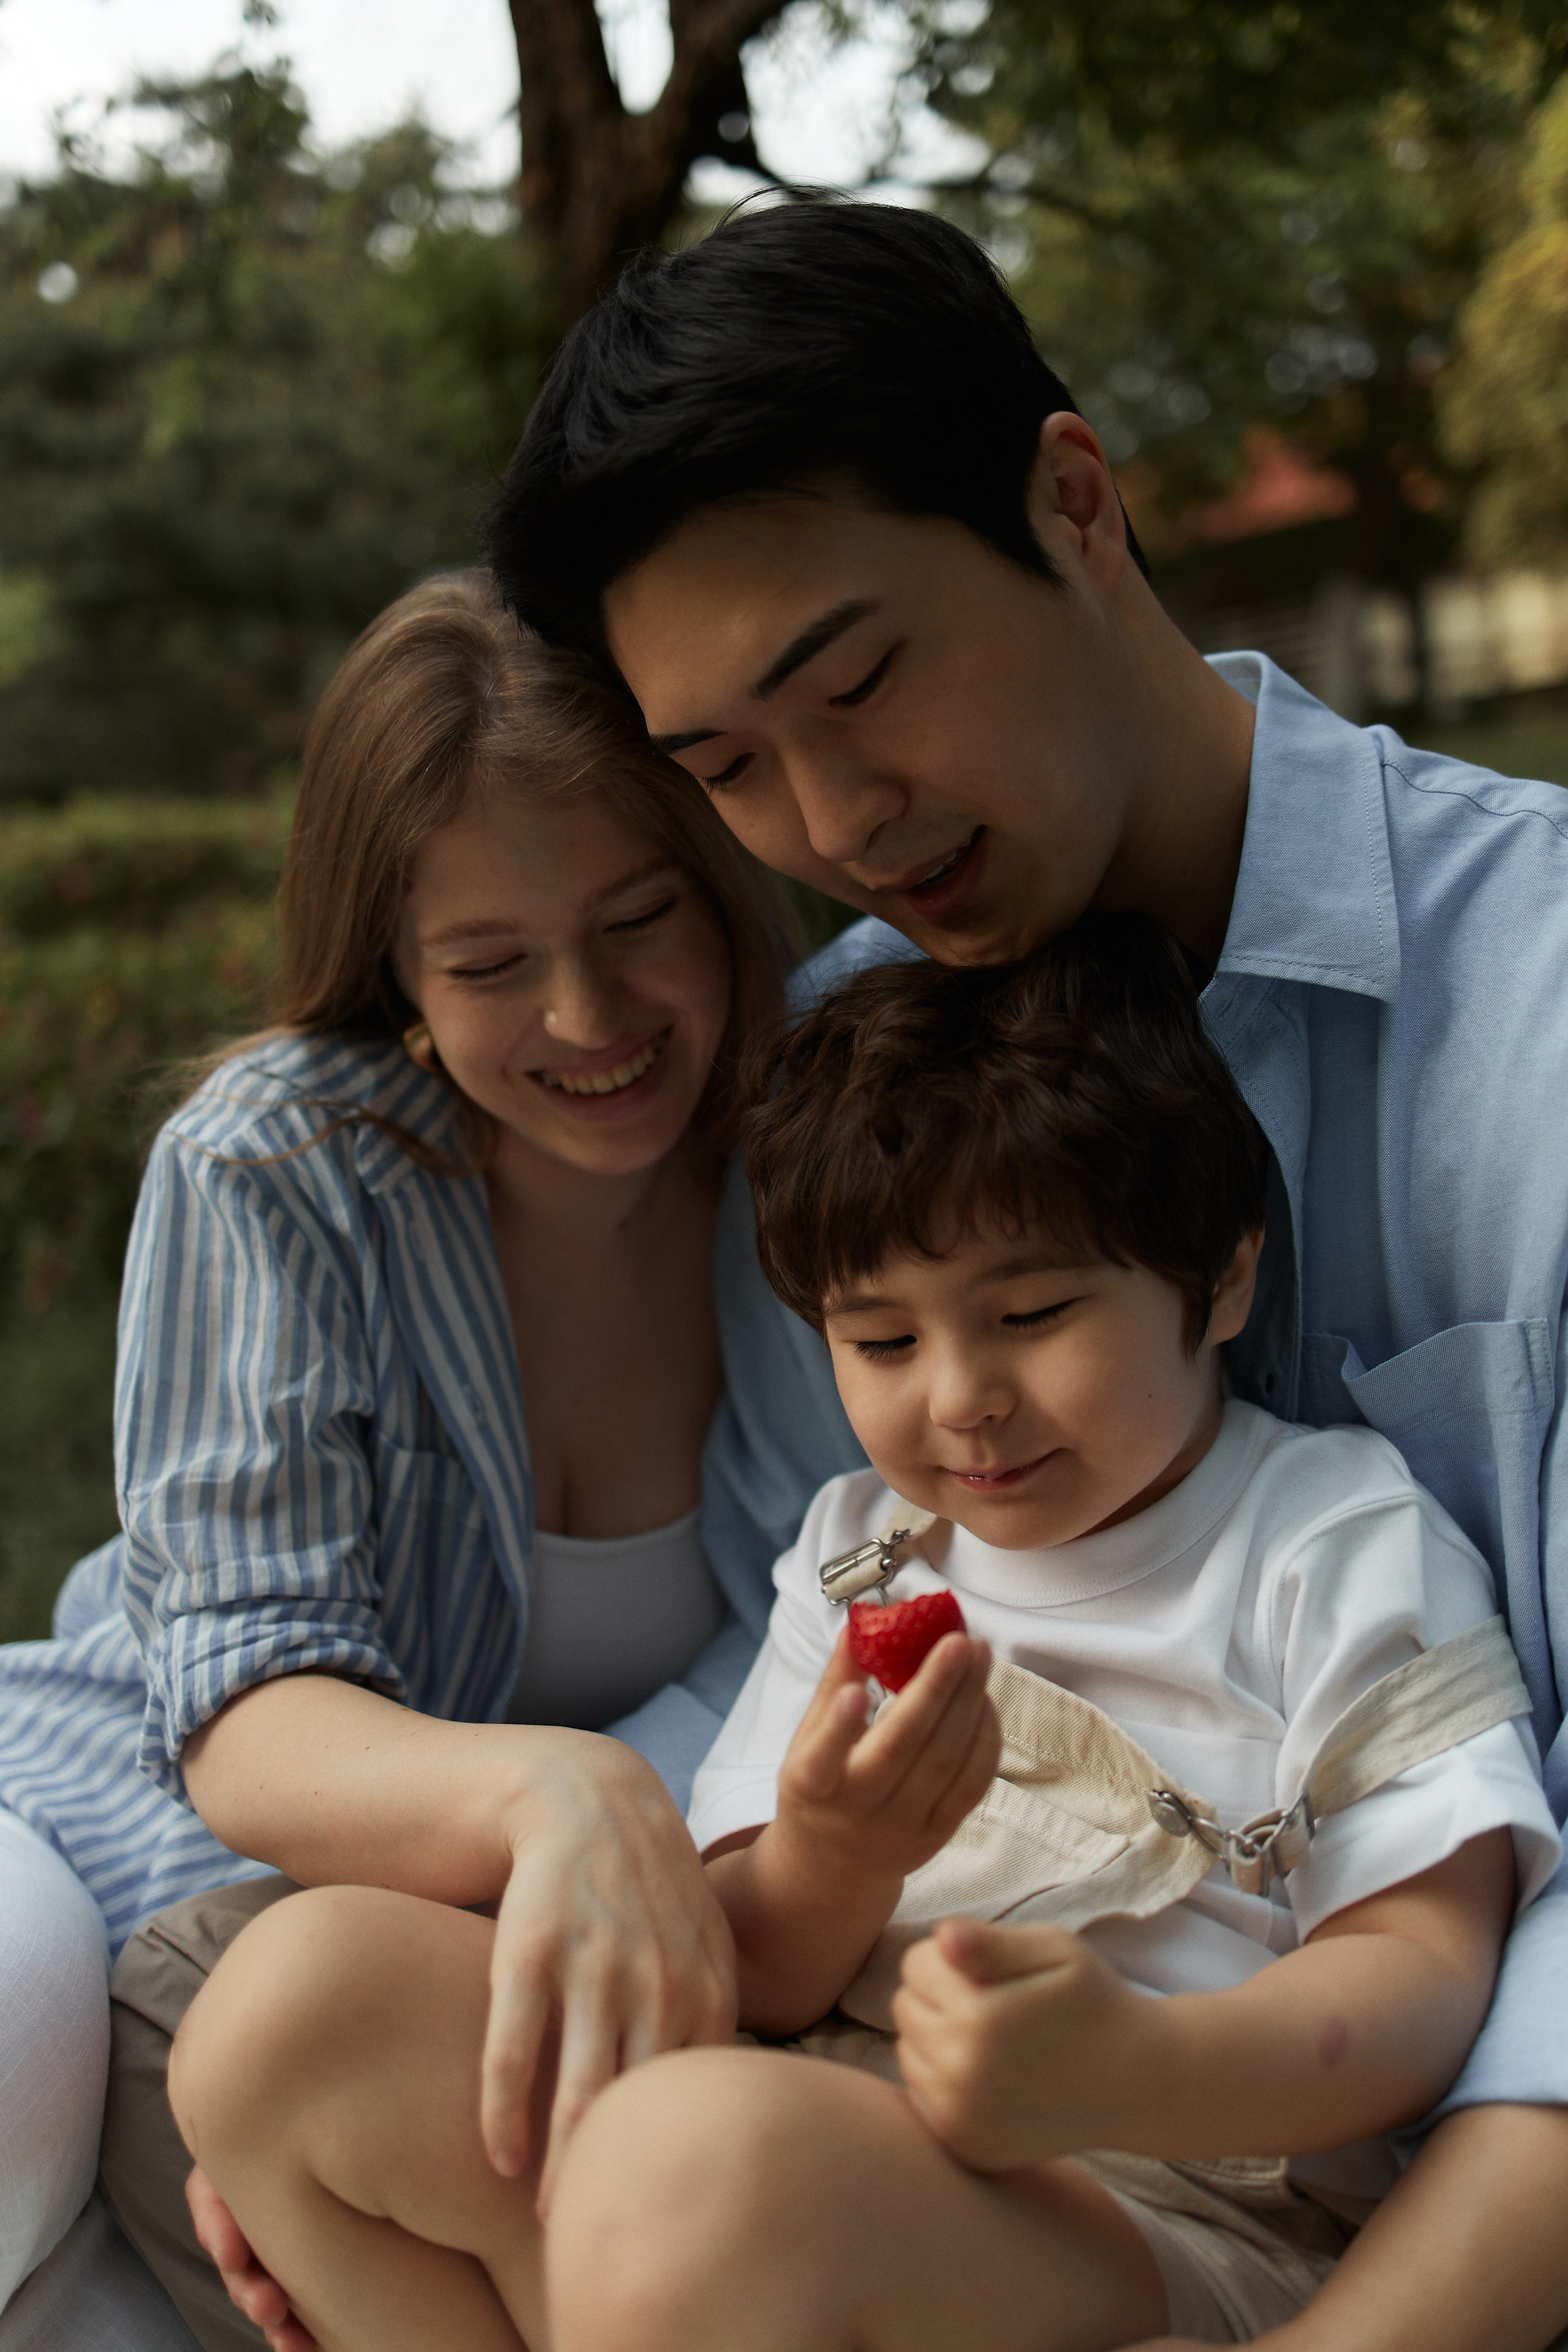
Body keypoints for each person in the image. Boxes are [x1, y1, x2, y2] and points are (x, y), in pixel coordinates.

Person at [483, 193, 1568, 2352]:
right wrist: (591, 1820)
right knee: (318, 2028)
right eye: (727, 771)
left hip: (1391, 2137)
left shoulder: (1541, 1007)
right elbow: (802, 1641)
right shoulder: (864, 1077)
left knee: (691, 2192)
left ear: (1076, 502)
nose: (836, 818)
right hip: (950, 2107)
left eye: (858, 681)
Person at [164, 918, 1559, 2352]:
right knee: (292, 2011)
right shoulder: (860, 1552)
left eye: (1029, 1313)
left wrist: (1132, 2068)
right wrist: (833, 1856)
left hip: (1168, 2199)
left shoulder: (1321, 1540)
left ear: (1218, 1278)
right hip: (804, 2109)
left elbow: (1419, 1978)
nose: (958, 1397)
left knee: (685, 2166)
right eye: (881, 1342)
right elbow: (756, 1970)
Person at [0, 568, 865, 2348]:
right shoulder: (277, 1172)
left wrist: (615, 1854)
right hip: (147, 1839)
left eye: (641, 920)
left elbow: (841, 1617)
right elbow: (251, 1698)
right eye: (489, 964)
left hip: (563, 1934)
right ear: (395, 965)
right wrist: (555, 1795)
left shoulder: (824, 1162)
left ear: (721, 884)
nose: (587, 1015)